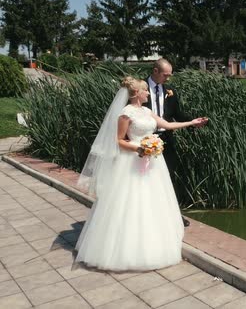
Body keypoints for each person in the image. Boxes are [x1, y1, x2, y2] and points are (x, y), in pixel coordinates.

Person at [75, 77, 207, 272]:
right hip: (132, 162)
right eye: (145, 91)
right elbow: (119, 140)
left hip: (153, 162)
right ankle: (126, 249)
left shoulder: (146, 111)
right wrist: (139, 148)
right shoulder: (126, 113)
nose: (147, 93)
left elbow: (168, 125)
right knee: (131, 202)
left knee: (153, 200)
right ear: (136, 93)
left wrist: (192, 122)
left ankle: (154, 241)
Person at [144, 58, 200, 227]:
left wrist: (194, 122)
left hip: (166, 140)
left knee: (168, 177)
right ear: (155, 71)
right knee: (144, 179)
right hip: (144, 140)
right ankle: (147, 216)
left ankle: (173, 214)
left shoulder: (170, 91)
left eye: (169, 75)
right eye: (165, 75)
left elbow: (177, 115)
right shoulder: (140, 89)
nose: (168, 79)